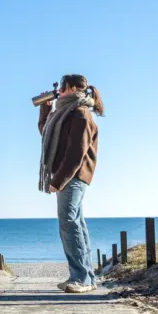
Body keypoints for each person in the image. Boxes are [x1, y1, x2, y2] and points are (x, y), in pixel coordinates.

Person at [36, 74, 105, 293]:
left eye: (62, 88)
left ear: (73, 88)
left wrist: (58, 181)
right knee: (75, 222)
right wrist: (45, 109)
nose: (59, 92)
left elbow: (76, 153)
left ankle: (82, 279)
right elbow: (46, 133)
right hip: (68, 175)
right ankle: (85, 277)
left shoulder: (80, 114)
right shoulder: (65, 113)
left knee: (69, 222)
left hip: (73, 176)